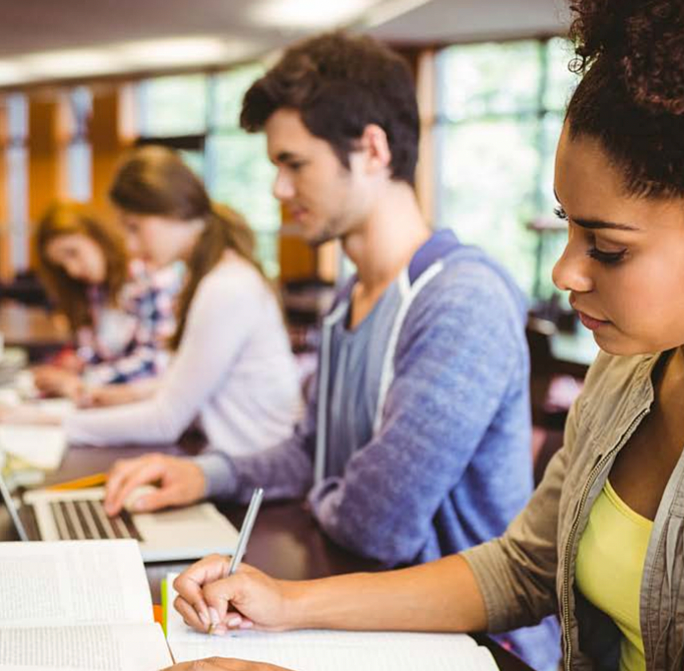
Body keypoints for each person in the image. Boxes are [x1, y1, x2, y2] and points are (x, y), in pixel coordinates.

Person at [142, 2, 684, 671]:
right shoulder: (629, 371)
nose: (565, 273)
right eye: (566, 230)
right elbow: (523, 568)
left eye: (607, 248)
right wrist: (288, 602)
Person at [104, 33, 538, 580]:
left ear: (373, 150)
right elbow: (311, 456)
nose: (279, 189)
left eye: (295, 164)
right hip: (364, 602)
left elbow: (375, 526)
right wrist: (203, 475)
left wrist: (323, 494)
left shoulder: (459, 301)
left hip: (477, 648)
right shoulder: (347, 299)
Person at [4, 148, 303, 456]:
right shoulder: (214, 277)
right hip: (231, 462)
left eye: (134, 227)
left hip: (254, 477)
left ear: (172, 209)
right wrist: (119, 395)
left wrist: (48, 421)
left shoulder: (226, 287)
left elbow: (165, 421)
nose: (131, 246)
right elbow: (184, 384)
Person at [33, 200, 182, 406]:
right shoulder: (95, 289)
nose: (72, 270)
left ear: (97, 236)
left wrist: (79, 382)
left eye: (73, 252)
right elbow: (107, 352)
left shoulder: (151, 278)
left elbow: (155, 365)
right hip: (111, 407)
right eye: (62, 265)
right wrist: (78, 364)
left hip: (150, 410)